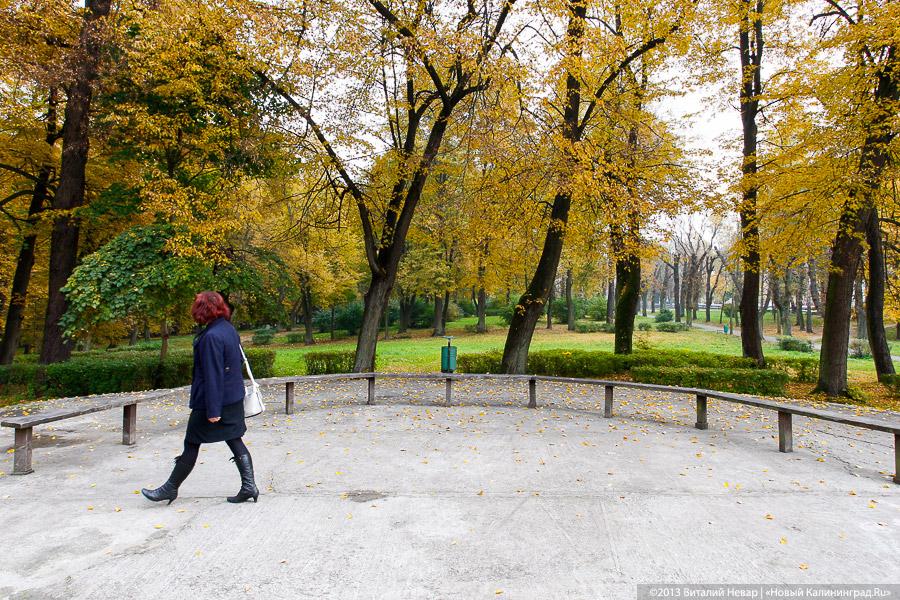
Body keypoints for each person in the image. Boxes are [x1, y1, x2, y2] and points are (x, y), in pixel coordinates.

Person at [142, 291, 259, 505]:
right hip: (232, 397)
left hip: (213, 402)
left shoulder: (211, 336)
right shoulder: (227, 329)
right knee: (234, 438)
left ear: (202, 310)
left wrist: (213, 410)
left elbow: (213, 374)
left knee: (192, 442)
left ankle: (170, 489)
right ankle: (249, 486)